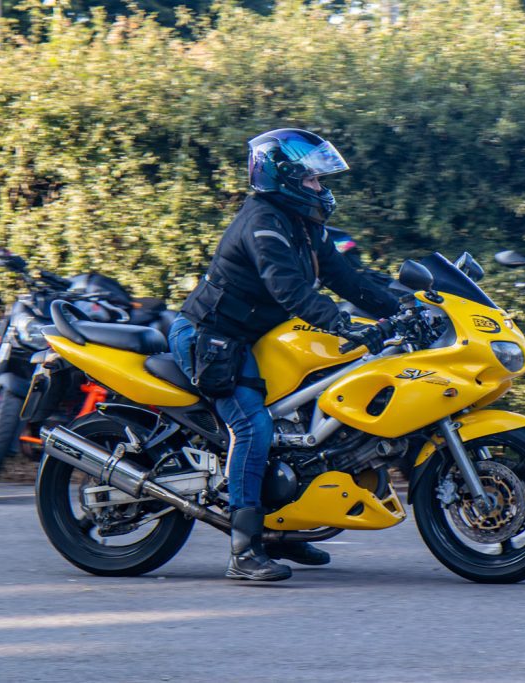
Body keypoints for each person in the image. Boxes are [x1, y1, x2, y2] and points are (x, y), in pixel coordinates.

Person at [169, 128, 400, 582]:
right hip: (211, 336)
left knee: (302, 419)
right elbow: (287, 286)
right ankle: (244, 548)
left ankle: (283, 532)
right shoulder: (262, 223)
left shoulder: (302, 224)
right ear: (285, 178)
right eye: (314, 180)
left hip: (253, 338)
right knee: (252, 425)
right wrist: (340, 324)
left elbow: (345, 277)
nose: (322, 187)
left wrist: (402, 311)